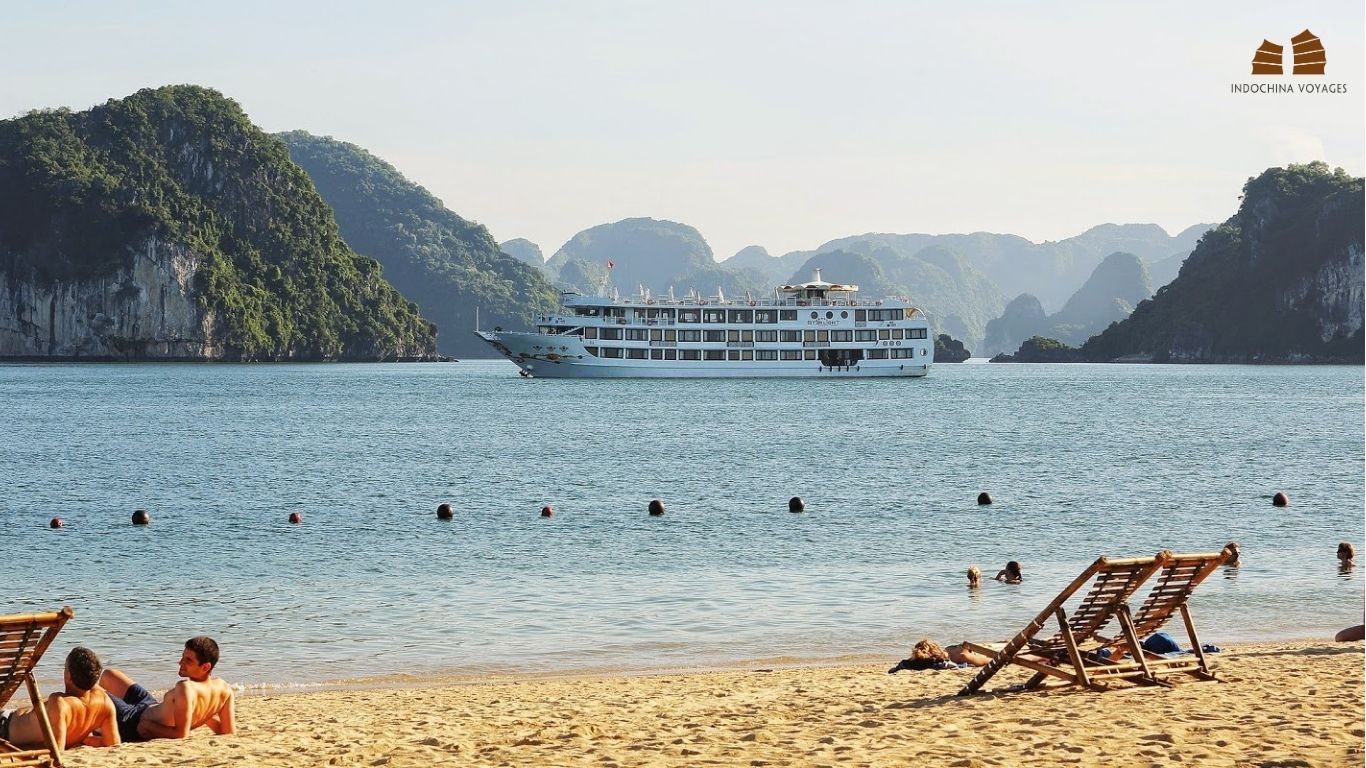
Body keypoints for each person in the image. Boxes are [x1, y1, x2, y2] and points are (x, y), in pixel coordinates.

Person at [100, 636, 235, 742]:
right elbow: (228, 732)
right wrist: (203, 715)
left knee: (91, 690)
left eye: (188, 660)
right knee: (109, 674)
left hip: (131, 720)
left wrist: (148, 727)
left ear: (205, 667)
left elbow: (181, 735)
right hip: (148, 704)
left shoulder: (185, 688)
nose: (180, 662)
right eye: (182, 657)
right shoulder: (224, 689)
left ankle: (94, 723)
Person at [0, 646, 119, 753]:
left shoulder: (60, 703)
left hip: (4, 728)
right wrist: (81, 738)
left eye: (65, 668)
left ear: (68, 676)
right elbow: (113, 745)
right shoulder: (105, 702)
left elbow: (56, 750)